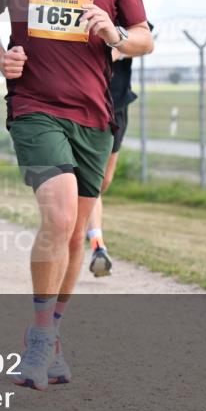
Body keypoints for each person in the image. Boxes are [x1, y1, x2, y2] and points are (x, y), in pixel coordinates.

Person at [0, 0, 153, 390]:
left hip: (94, 114)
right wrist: (1, 55)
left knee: (76, 233)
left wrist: (116, 33)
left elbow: (144, 37)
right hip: (34, 106)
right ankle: (36, 338)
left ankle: (53, 333)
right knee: (57, 214)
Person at [84, 49, 136, 276]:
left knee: (103, 181)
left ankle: (75, 223)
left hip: (116, 103)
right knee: (90, 181)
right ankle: (98, 245)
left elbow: (143, 41)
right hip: (82, 102)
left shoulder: (126, 13)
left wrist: (114, 48)